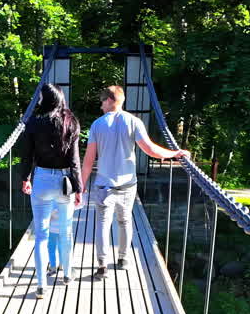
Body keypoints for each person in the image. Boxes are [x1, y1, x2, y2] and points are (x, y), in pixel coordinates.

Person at [81, 85, 189, 280]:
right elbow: (150, 150)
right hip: (128, 185)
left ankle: (102, 267)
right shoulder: (134, 122)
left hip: (104, 185)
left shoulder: (97, 125)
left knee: (103, 225)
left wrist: (80, 185)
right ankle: (123, 259)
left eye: (101, 102)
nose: (100, 106)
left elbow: (88, 161)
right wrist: (175, 154)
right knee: (125, 221)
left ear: (107, 101)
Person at [19, 84, 83, 298]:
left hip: (42, 180)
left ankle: (41, 285)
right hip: (64, 182)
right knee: (65, 231)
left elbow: (27, 156)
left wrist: (25, 178)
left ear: (44, 100)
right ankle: (66, 275)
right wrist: (79, 188)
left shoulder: (33, 123)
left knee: (41, 235)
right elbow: (74, 161)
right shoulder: (70, 122)